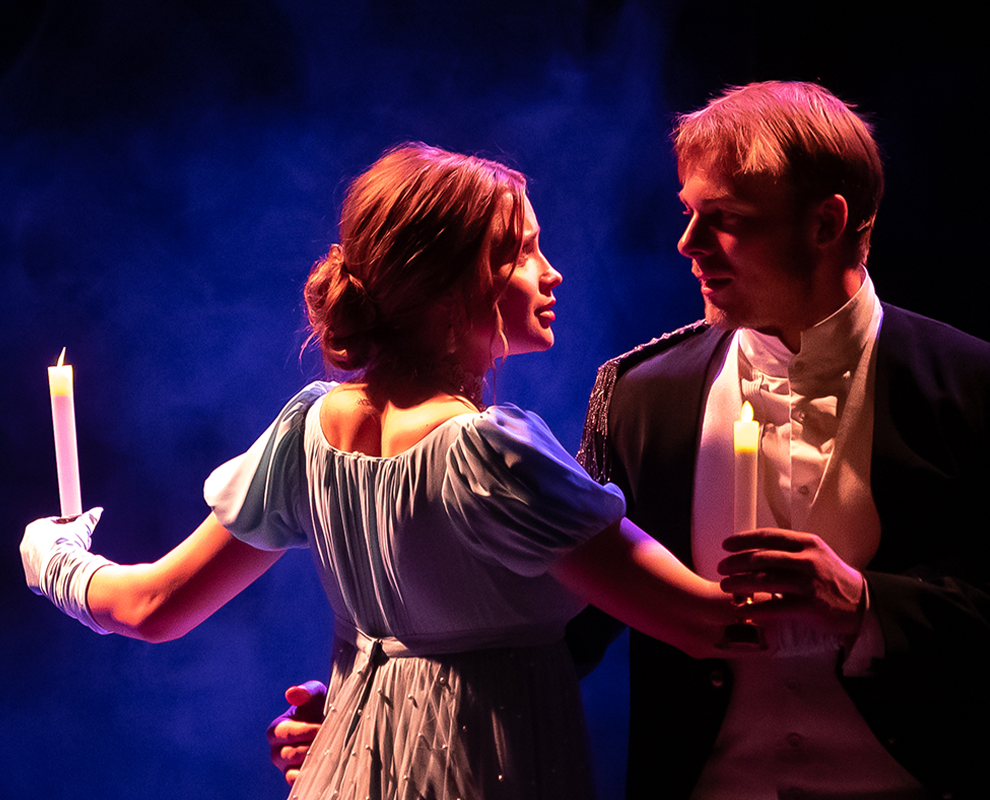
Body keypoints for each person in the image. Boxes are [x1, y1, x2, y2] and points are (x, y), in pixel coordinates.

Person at [268, 83, 990, 799]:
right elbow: (561, 620)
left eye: (725, 219)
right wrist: (368, 708)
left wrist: (867, 606)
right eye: (688, 214)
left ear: (827, 222)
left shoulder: (985, 390)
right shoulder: (641, 395)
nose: (689, 245)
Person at [20, 144, 760, 800]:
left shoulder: (307, 430)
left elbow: (151, 605)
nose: (551, 273)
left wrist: (52, 556)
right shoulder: (491, 454)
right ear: (450, 289)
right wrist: (819, 581)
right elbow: (706, 623)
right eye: (522, 253)